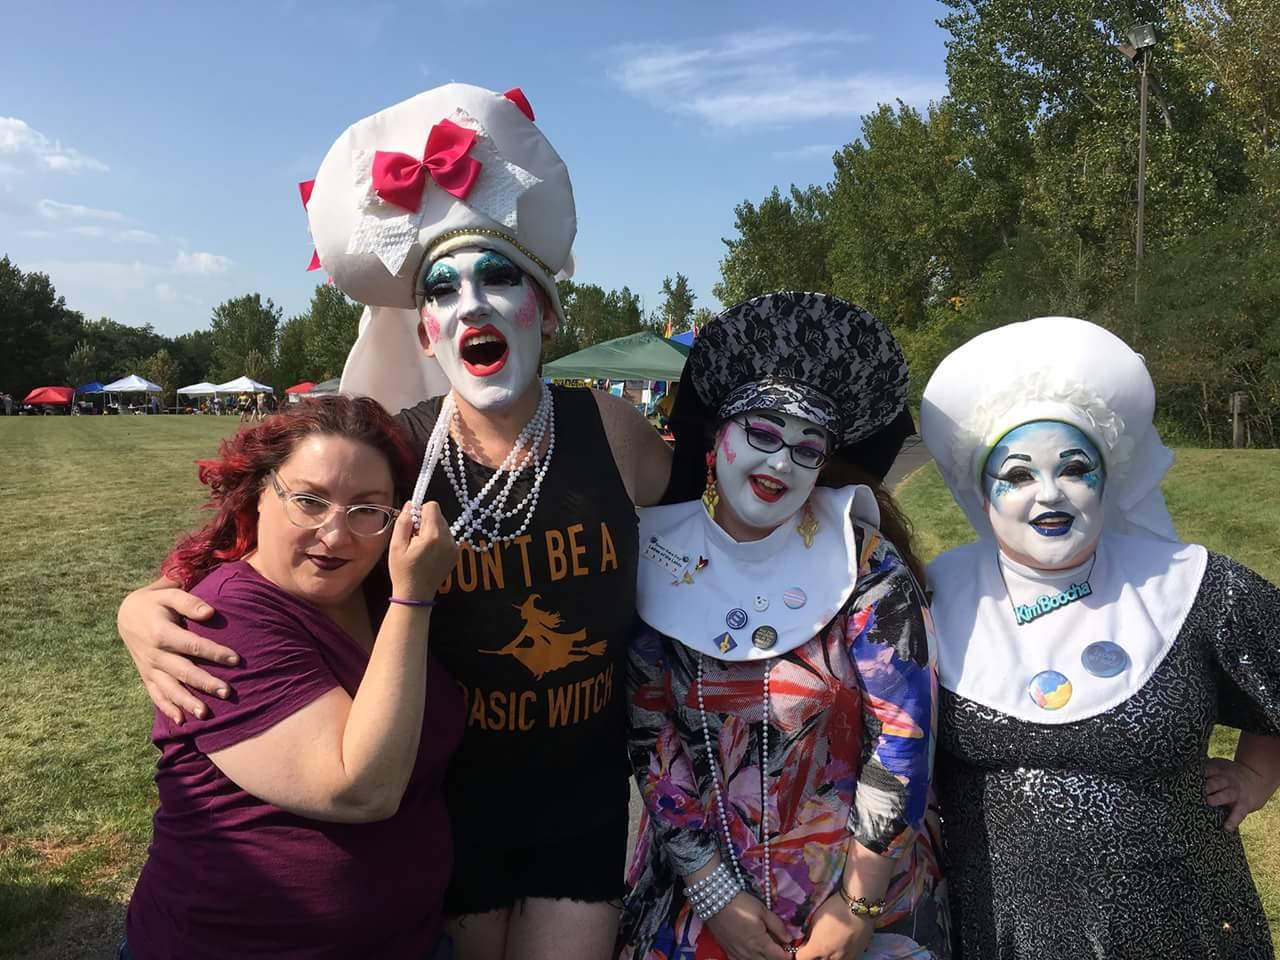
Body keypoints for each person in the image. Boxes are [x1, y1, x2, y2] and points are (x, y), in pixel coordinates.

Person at [117, 83, 671, 960]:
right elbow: (275, 547)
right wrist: (146, 604)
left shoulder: (612, 429)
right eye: (444, 290)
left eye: (501, 277)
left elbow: (713, 532)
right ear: (424, 335)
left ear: (547, 309)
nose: (473, 305)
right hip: (450, 792)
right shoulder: (404, 453)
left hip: (583, 793)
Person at [919, 317, 1280, 959]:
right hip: (1001, 933)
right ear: (983, 491)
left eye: (1075, 469)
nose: (1049, 494)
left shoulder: (1190, 583)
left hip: (1183, 928)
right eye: (1018, 475)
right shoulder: (930, 595)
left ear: (1106, 479)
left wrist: (1255, 774)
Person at [620, 293, 948, 960]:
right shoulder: (661, 559)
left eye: (806, 448)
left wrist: (858, 906)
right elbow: (652, 737)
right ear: (718, 439)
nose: (779, 464)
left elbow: (904, 735)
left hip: (858, 908)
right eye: (763, 435)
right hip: (701, 902)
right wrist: (714, 894)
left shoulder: (863, 565)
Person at [122, 396, 462, 959]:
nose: (335, 535)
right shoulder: (224, 617)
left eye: (367, 510)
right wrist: (413, 597)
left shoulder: (374, 593)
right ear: (260, 494)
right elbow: (360, 788)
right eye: (309, 501)